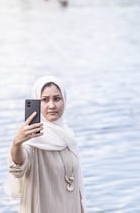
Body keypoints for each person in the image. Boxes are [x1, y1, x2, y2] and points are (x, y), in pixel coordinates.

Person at [5, 76, 85, 213]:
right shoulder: (32, 139)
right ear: (37, 101)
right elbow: (18, 166)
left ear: (64, 100)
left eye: (57, 99)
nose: (52, 105)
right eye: (45, 100)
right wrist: (16, 143)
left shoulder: (68, 137)